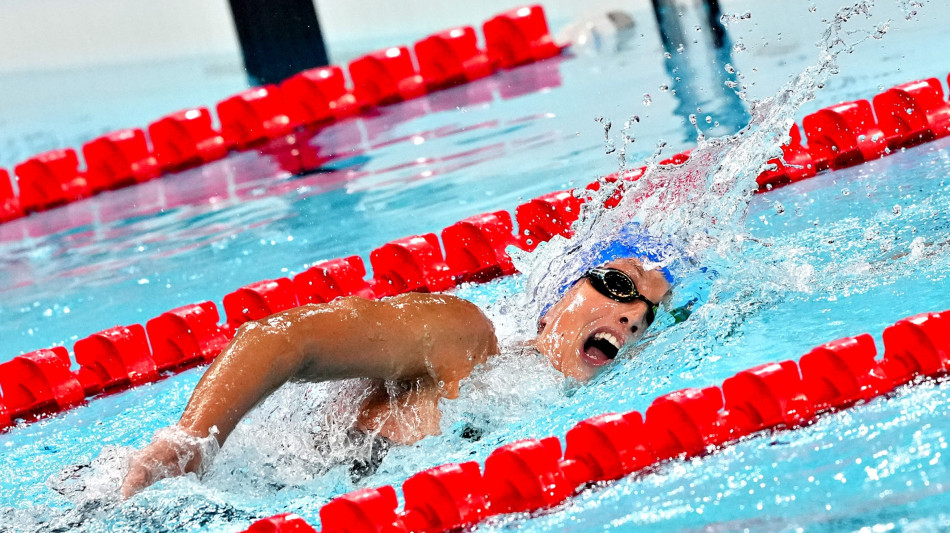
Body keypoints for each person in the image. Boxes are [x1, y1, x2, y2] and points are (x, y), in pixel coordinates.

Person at [119, 255, 672, 498]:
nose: (629, 316)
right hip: (185, 493)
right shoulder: (464, 336)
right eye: (616, 286)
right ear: (552, 304)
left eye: (644, 316)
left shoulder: (570, 408)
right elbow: (282, 337)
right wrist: (191, 441)